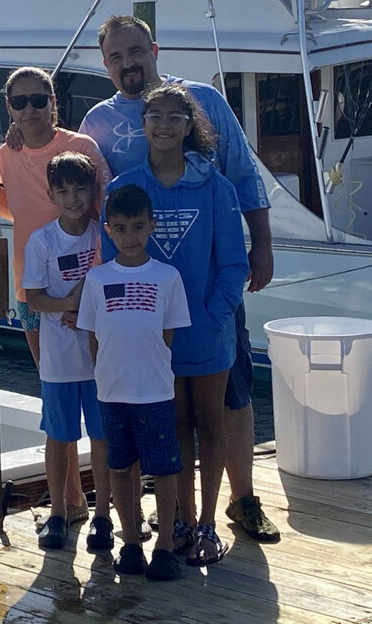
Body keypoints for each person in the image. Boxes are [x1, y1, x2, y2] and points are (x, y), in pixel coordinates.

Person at [81, 14, 280, 543]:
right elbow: (69, 173)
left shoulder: (203, 100)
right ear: (105, 65)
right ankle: (176, 511)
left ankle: (242, 501)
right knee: (165, 412)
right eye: (116, 56)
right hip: (145, 303)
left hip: (208, 284)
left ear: (155, 48)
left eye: (136, 51)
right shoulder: (97, 121)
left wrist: (261, 243)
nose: (128, 63)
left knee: (231, 398)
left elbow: (241, 170)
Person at [103, 83, 248, 565]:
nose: (163, 126)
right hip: (152, 343)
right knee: (175, 430)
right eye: (154, 117)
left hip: (207, 334)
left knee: (211, 426)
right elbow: (110, 267)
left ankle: (208, 523)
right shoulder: (126, 190)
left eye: (174, 117)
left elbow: (233, 265)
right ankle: (180, 519)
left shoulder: (215, 186)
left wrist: (213, 315)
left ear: (190, 126)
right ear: (142, 124)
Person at [0, 66, 113, 529]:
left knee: (101, 400)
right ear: (9, 107)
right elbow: (10, 206)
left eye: (38, 100)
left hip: (89, 289)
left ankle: (106, 506)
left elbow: (105, 214)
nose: (29, 110)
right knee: (55, 392)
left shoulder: (80, 149)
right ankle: (69, 506)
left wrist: (89, 294)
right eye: (19, 102)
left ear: (53, 101)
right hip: (33, 287)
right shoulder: (6, 152)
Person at [77, 183, 191, 581]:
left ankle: (163, 547)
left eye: (138, 227)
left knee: (163, 467)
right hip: (112, 392)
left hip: (155, 392)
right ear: (108, 230)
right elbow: (93, 335)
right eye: (121, 228)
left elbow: (168, 335)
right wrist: (107, 375)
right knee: (121, 468)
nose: (130, 236)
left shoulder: (167, 276)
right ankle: (130, 542)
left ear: (151, 227)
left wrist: (148, 369)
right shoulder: (97, 279)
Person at [22, 152, 113, 552]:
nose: (73, 198)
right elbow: (35, 300)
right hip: (59, 360)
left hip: (100, 360)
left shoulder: (103, 235)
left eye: (80, 189)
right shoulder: (41, 240)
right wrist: (71, 306)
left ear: (93, 192)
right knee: (59, 436)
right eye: (64, 191)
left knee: (103, 436)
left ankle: (104, 514)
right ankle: (58, 511)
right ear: (51, 195)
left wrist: (89, 313)